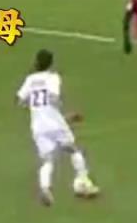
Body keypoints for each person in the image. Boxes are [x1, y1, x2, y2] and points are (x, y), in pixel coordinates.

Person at [17, 49, 100, 207]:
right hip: (55, 124)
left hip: (38, 126)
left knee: (47, 160)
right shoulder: (53, 78)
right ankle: (82, 183)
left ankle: (45, 187)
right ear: (51, 63)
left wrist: (36, 108)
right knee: (73, 150)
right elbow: (54, 98)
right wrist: (67, 116)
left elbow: (20, 100)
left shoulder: (30, 79)